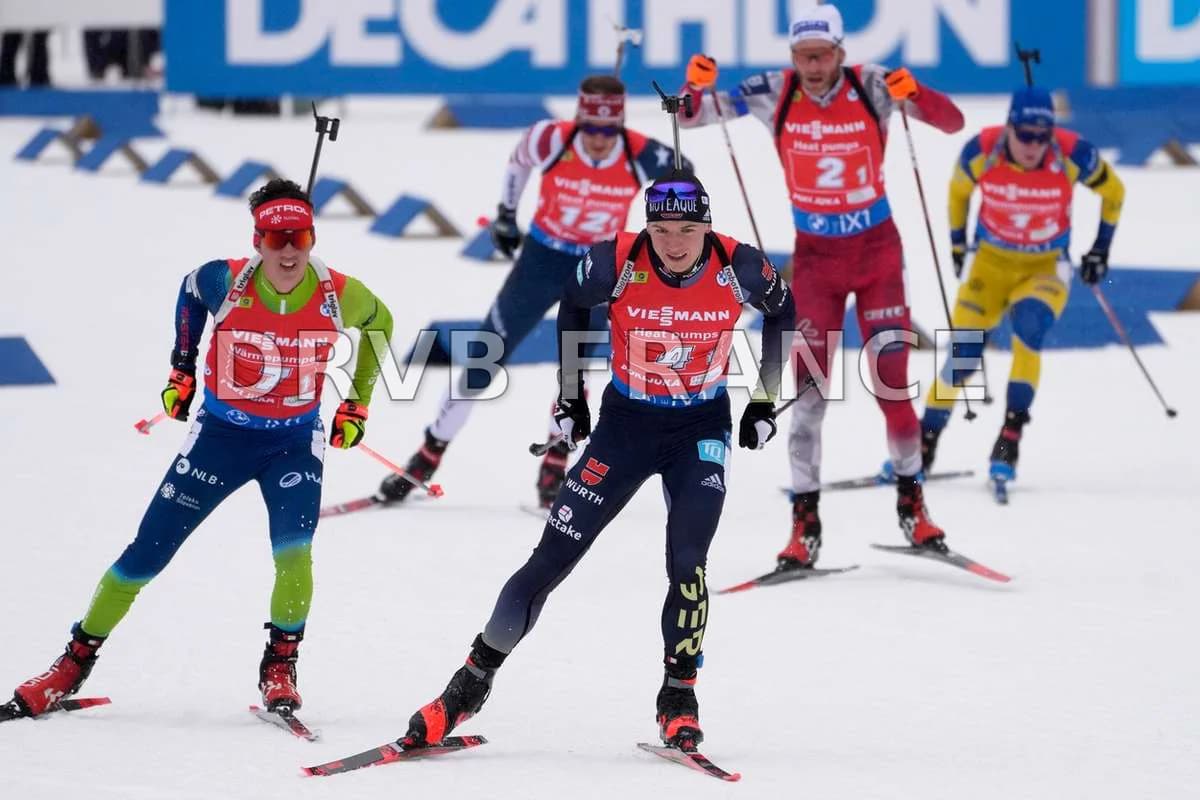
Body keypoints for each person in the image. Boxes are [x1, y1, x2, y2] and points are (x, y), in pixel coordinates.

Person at [397, 170, 794, 752]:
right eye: (662, 229)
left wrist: (763, 400)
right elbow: (573, 306)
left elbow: (786, 316)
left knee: (688, 563)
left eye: (688, 229)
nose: (675, 243)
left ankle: (678, 696)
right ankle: (469, 684)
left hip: (699, 431)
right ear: (647, 226)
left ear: (707, 226)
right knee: (551, 558)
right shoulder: (616, 260)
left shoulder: (743, 266)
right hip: (624, 428)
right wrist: (569, 395)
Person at [3, 180, 395, 720]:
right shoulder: (225, 280)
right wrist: (180, 371)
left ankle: (280, 663)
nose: (288, 250)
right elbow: (189, 292)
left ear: (312, 237)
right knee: (146, 555)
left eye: (299, 237)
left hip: (292, 445)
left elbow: (382, 321)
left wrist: (358, 405)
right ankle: (72, 664)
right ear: (257, 239)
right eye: (276, 237)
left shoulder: (337, 292)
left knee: (295, 556)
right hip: (220, 441)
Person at [678, 4, 965, 568]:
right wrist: (693, 86)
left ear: (840, 52)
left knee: (892, 386)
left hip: (878, 254)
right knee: (808, 394)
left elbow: (952, 122)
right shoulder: (773, 91)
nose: (812, 66)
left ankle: (913, 505)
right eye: (802, 56)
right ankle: (803, 523)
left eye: (821, 55)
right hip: (815, 261)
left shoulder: (875, 85)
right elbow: (690, 117)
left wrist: (917, 94)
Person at [378, 74, 689, 509]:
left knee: (574, 372)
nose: (598, 141)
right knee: (484, 357)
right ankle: (428, 453)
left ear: (618, 126)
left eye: (607, 131)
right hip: (542, 259)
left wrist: (667, 234)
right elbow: (518, 162)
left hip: (597, 269)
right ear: (579, 120)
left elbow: (685, 181)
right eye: (591, 129)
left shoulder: (641, 152)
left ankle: (555, 464)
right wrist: (506, 214)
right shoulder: (551, 138)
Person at [919, 86, 1125, 486]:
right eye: (1025, 134)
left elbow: (1114, 192)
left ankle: (1009, 436)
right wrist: (958, 243)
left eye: (1041, 136)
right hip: (991, 264)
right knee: (963, 356)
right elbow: (958, 192)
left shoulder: (1072, 153)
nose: (1033, 145)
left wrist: (1100, 248)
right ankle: (925, 442)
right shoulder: (982, 149)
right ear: (1009, 127)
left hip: (1044, 268)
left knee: (1029, 328)